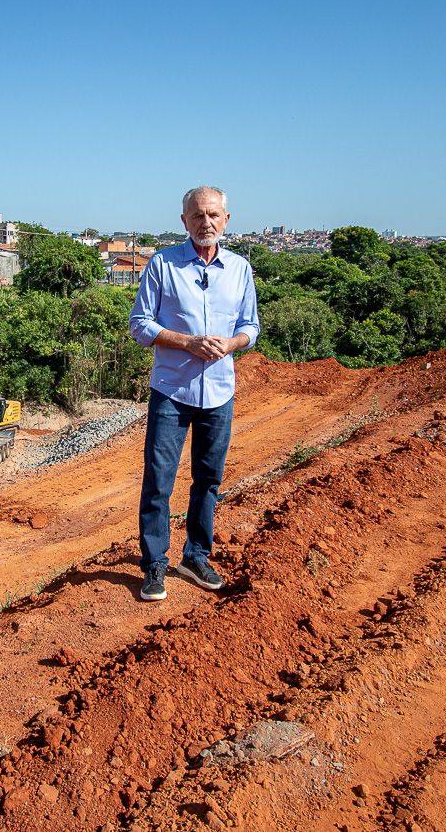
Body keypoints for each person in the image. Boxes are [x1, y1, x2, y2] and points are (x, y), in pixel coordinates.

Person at [129, 186, 260, 601]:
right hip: (171, 391)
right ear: (184, 221)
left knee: (209, 480)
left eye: (214, 215)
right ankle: (154, 564)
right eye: (198, 216)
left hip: (220, 392)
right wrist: (185, 342)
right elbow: (140, 324)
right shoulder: (162, 265)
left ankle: (196, 555)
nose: (206, 223)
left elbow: (250, 327)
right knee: (159, 481)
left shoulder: (240, 268)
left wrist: (232, 344)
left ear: (226, 220)